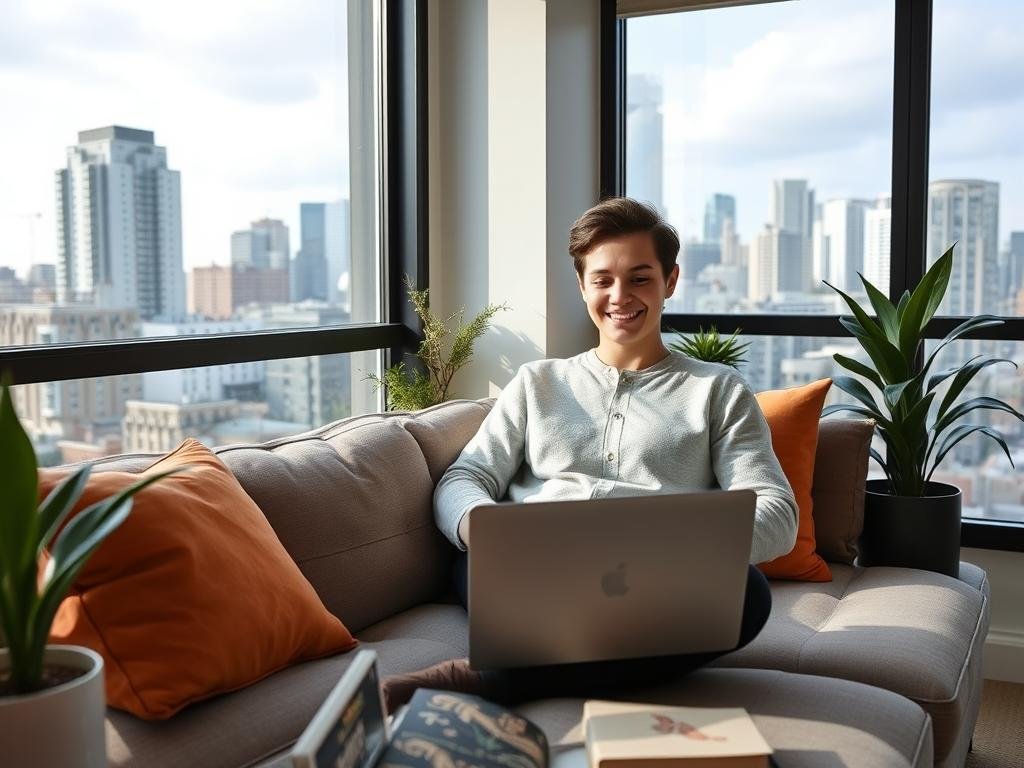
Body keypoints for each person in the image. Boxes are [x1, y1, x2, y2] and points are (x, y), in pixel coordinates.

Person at [382, 197, 798, 712]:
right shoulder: (538, 382)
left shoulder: (718, 390)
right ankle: (544, 661)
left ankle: (487, 678)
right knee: (485, 568)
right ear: (582, 287)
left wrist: (666, 543)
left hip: (651, 582)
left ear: (670, 281)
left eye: (640, 278)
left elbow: (777, 514)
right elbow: (465, 476)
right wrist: (482, 529)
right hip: (528, 569)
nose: (619, 296)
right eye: (602, 280)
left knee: (749, 594)